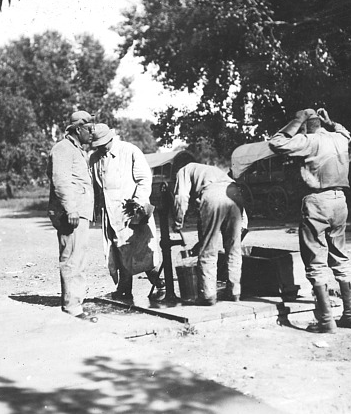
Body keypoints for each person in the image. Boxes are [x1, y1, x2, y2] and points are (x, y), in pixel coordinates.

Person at [268, 108, 351, 333]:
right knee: (340, 256)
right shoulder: (339, 138)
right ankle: (350, 315)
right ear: (322, 123)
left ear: (307, 125)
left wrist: (296, 119)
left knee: (315, 259)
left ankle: (326, 321)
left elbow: (276, 142)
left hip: (317, 201)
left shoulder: (308, 140)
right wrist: (331, 121)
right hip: (340, 200)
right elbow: (346, 132)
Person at [89, 123, 164, 301]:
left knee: (142, 250)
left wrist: (138, 202)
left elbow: (144, 179)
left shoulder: (129, 151)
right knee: (118, 252)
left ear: (110, 138)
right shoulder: (94, 159)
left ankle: (160, 284)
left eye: (103, 143)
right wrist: (93, 210)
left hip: (132, 213)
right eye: (97, 145)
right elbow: (93, 187)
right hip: (110, 214)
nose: (100, 147)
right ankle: (124, 288)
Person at [46, 110, 97, 322]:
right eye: (89, 129)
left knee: (79, 257)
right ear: (78, 130)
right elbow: (61, 181)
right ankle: (72, 307)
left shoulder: (77, 150)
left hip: (79, 212)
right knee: (72, 258)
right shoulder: (63, 149)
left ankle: (76, 301)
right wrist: (71, 209)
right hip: (72, 214)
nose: (92, 133)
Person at [172, 162, 245, 305]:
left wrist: (177, 222)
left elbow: (181, 197)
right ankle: (235, 292)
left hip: (212, 195)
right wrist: (243, 224)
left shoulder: (183, 170)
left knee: (208, 250)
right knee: (234, 249)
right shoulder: (211, 169)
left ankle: (208, 295)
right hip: (235, 193)